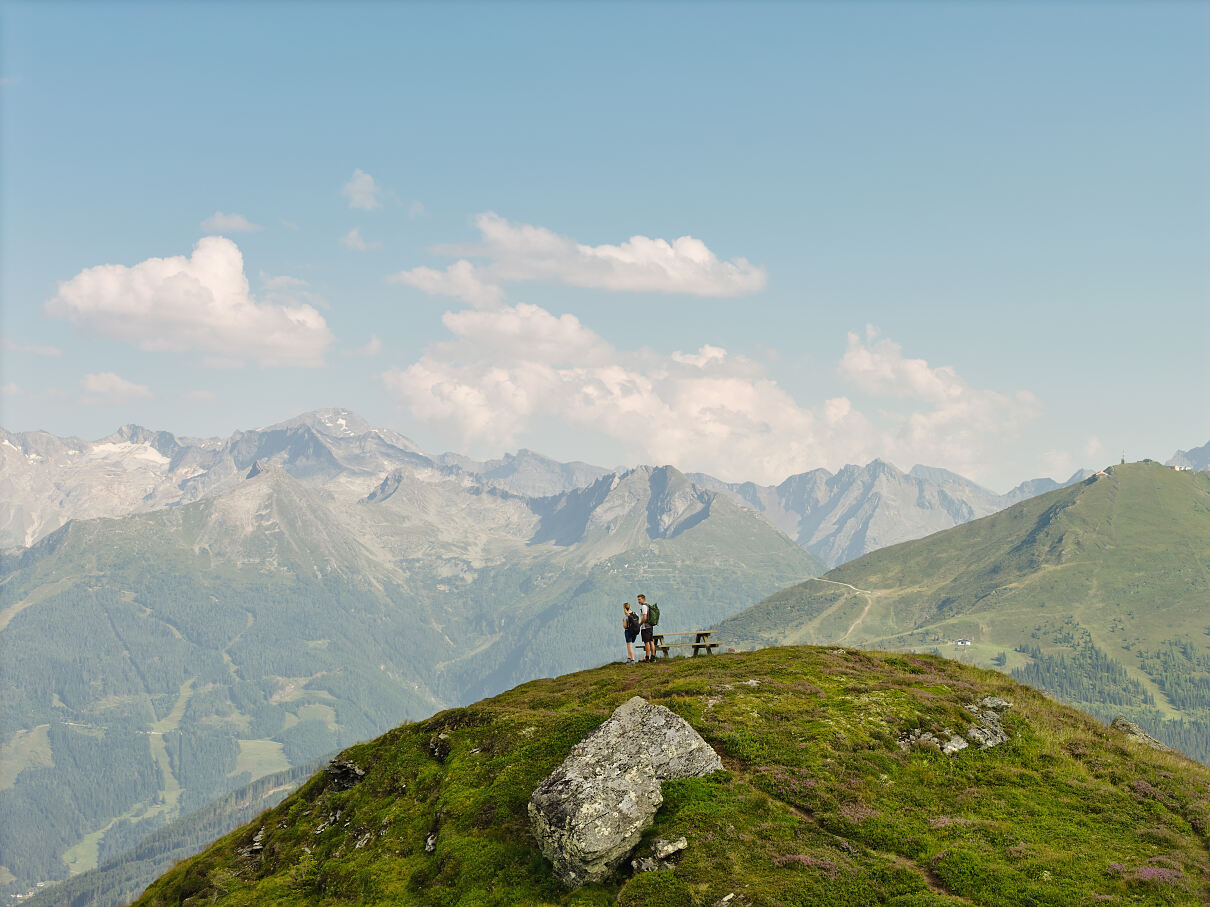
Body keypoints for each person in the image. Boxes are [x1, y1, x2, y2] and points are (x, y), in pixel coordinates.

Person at [637, 593, 656, 662]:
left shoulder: (644, 607)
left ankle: (647, 658)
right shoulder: (648, 606)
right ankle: (653, 657)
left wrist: (639, 624)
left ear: (643, 599)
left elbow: (644, 617)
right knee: (651, 641)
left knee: (646, 642)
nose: (638, 601)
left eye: (639, 599)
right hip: (650, 626)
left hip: (645, 627)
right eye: (638, 599)